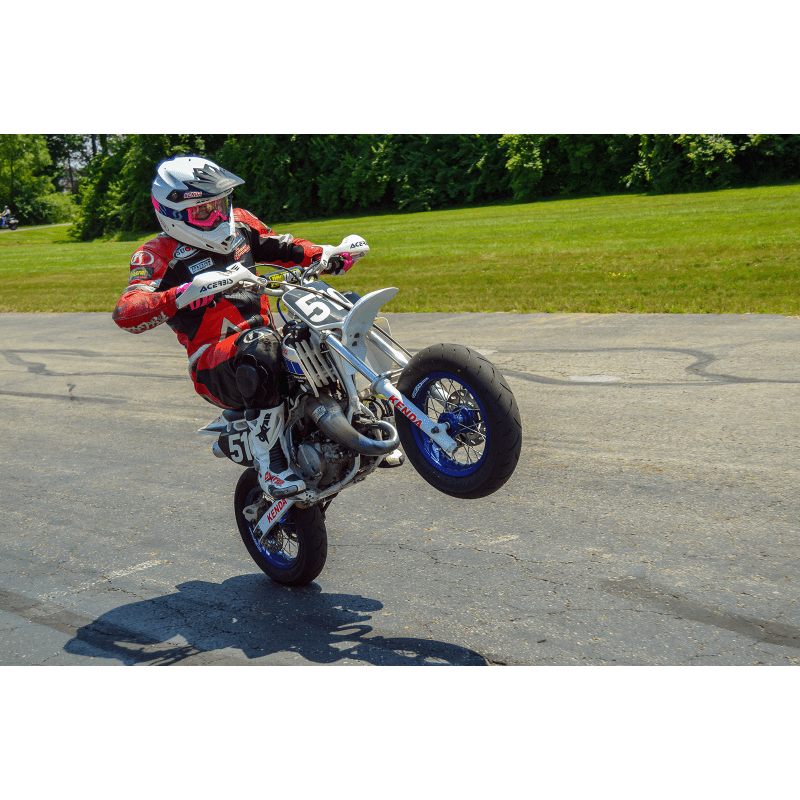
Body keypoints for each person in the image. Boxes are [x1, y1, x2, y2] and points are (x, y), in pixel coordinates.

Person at [112, 155, 355, 496]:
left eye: (220, 204)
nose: (217, 216)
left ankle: (365, 411)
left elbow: (284, 246)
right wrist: (183, 294)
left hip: (268, 340)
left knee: (339, 312)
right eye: (203, 211)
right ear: (171, 212)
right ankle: (271, 463)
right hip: (214, 364)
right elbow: (127, 311)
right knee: (262, 344)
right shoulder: (156, 253)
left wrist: (325, 254)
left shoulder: (240, 223)